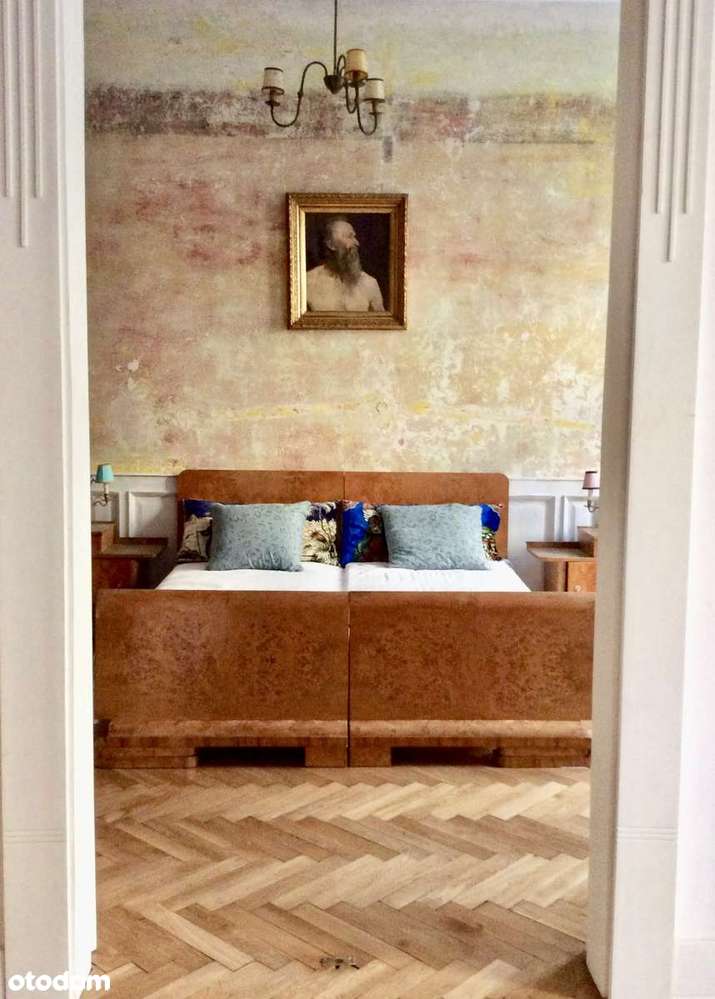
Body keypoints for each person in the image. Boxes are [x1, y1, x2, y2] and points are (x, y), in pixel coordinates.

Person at [306, 217, 385, 312]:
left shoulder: (369, 283)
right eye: (349, 237)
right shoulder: (308, 281)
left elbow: (380, 320)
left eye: (354, 237)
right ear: (331, 245)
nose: (356, 243)